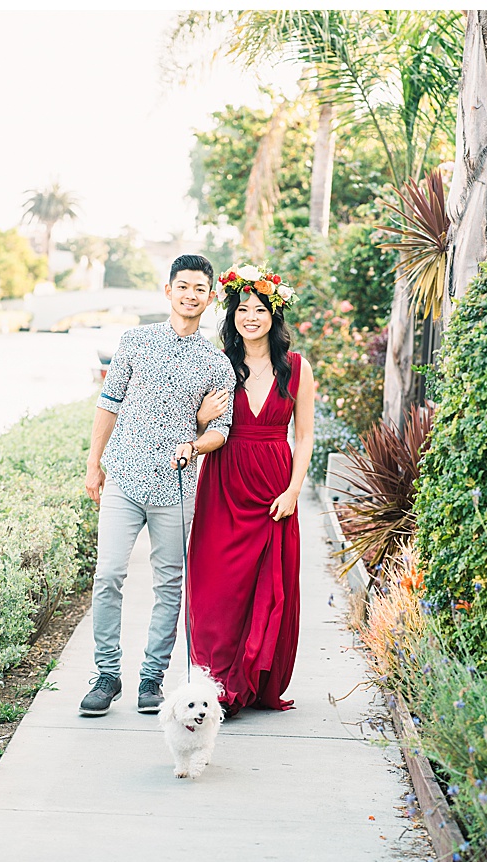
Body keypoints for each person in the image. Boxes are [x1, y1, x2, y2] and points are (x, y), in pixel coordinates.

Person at [80, 254, 235, 716]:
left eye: (199, 288)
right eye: (183, 286)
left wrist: (196, 438)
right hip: (125, 478)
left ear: (210, 298)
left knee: (169, 585)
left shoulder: (216, 363)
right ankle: (107, 675)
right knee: (108, 574)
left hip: (176, 487)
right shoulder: (135, 341)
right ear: (168, 291)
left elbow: (222, 431)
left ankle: (152, 678)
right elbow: (109, 403)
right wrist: (94, 464)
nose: (191, 295)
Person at [188, 263, 315, 717]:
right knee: (217, 583)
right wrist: (202, 418)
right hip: (224, 479)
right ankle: (216, 680)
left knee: (269, 586)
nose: (251, 317)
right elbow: (194, 424)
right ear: (232, 315)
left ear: (273, 316)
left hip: (274, 485)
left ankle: (254, 678)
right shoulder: (216, 362)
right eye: (243, 309)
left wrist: (295, 489)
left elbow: (304, 436)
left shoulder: (297, 368)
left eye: (260, 309)